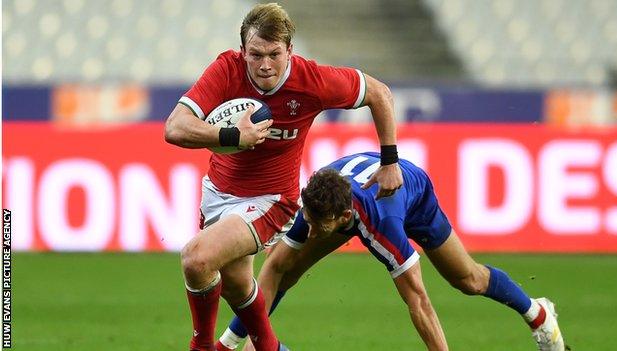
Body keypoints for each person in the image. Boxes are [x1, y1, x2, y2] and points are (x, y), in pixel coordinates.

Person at [164, 3, 403, 351]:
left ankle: (202, 347)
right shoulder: (226, 70)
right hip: (218, 192)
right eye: (255, 54)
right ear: (242, 50)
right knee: (236, 287)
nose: (264, 65)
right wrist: (232, 136)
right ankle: (271, 347)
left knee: (197, 259)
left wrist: (390, 161)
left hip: (271, 200)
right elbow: (174, 127)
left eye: (274, 54)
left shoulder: (313, 81)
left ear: (289, 50)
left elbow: (380, 94)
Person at [216, 152, 567, 351]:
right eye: (306, 214)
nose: (306, 222)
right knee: (282, 267)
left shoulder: (383, 226)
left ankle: (538, 314)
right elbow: (273, 271)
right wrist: (232, 341)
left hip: (413, 197)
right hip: (355, 191)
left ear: (343, 218)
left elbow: (419, 301)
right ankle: (233, 342)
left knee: (467, 279)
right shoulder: (317, 205)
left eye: (314, 220)